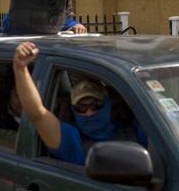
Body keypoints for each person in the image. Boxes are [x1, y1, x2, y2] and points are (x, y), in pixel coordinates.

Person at [12, 42, 146, 166]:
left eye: (95, 105)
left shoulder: (134, 129)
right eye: (81, 108)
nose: (89, 113)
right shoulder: (72, 141)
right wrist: (20, 69)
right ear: (73, 110)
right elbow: (37, 114)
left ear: (108, 105)